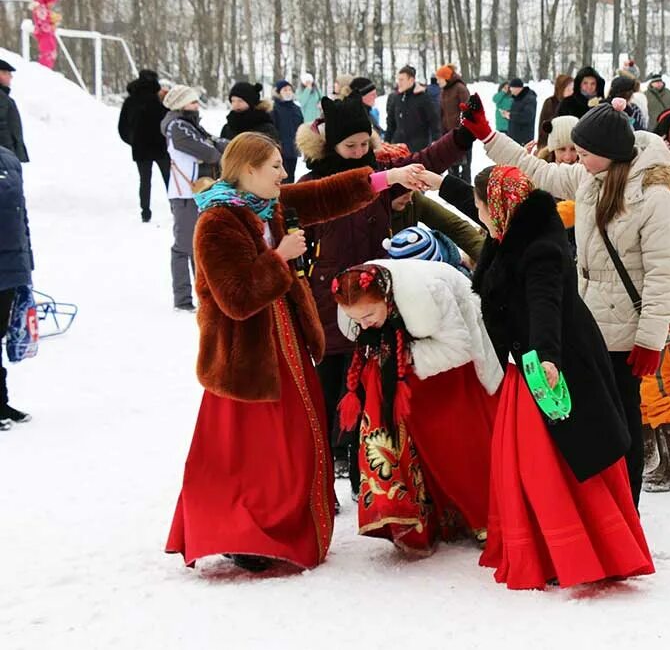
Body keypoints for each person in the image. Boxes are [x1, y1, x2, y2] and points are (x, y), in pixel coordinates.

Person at [165, 131, 425, 572]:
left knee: (294, 443)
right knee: (251, 453)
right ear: (248, 171)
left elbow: (327, 195)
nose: (283, 174)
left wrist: (389, 177)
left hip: (284, 343)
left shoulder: (268, 206)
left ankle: (279, 528)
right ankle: (243, 535)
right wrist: (279, 257)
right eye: (274, 168)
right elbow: (236, 298)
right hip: (244, 356)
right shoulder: (217, 223)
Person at [464, 95, 670, 506]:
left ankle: (625, 507)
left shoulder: (653, 197)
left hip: (627, 331)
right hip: (588, 322)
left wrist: (650, 341)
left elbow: (663, 273)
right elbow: (538, 170)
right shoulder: (589, 179)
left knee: (622, 423)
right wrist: (489, 136)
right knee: (594, 421)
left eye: (583, 153)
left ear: (607, 154)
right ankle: (595, 509)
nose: (576, 160)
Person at [466, 164, 654, 590]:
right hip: (528, 363)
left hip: (551, 366)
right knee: (531, 464)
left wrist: (547, 358)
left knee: (551, 465)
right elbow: (474, 199)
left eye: (481, 208)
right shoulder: (513, 228)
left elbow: (545, 302)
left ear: (498, 206)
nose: (479, 215)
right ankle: (544, 546)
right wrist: (437, 181)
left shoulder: (540, 250)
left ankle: (570, 552)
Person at [294, 95, 477, 498]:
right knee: (326, 400)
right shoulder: (312, 189)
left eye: (364, 144)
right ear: (330, 146)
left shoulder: (378, 174)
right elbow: (294, 240)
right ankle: (320, 487)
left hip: (375, 306)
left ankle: (371, 486)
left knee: (371, 398)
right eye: (350, 146)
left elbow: (426, 162)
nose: (359, 153)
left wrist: (463, 135)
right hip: (329, 307)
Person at [333, 260, 502, 553]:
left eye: (369, 315)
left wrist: (407, 358)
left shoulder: (429, 294)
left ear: (385, 298)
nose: (364, 325)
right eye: (356, 320)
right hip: (413, 376)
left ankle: (487, 517)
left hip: (455, 372)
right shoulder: (368, 303)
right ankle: (437, 515)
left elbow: (459, 347)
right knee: (427, 449)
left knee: (462, 447)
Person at [160, 85, 228, 312]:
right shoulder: (178, 126)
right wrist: (219, 155)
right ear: (181, 104)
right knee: (184, 246)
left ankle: (202, 297)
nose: (196, 105)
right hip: (186, 193)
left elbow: (212, 142)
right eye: (192, 102)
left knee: (199, 246)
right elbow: (206, 150)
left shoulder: (190, 124)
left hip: (197, 192)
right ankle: (182, 299)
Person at [0, 146, 32, 428]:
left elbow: (21, 216)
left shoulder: (9, 159)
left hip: (10, 264)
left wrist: (27, 263)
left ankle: (1, 402)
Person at [119, 69, 170, 222]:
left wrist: (133, 140)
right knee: (169, 179)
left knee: (145, 181)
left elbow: (122, 127)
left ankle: (145, 212)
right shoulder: (160, 100)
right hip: (161, 146)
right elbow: (169, 122)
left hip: (140, 148)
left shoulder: (130, 101)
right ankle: (176, 208)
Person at [389, 190, 485, 263]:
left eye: (410, 188)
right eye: (401, 187)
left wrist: (489, 262)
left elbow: (456, 227)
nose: (409, 197)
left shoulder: (413, 199)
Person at [386, 66, 441, 153]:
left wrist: (436, 141)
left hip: (419, 149)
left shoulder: (423, 97)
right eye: (398, 80)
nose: (399, 83)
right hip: (399, 148)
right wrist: (386, 142)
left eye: (402, 80)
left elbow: (434, 120)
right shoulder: (396, 98)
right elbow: (390, 123)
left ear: (411, 80)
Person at [436, 64, 471, 181]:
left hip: (463, 133)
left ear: (446, 78)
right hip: (448, 134)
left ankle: (467, 192)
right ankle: (454, 192)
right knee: (451, 164)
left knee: (465, 165)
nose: (437, 81)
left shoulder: (460, 88)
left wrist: (463, 129)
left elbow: (468, 110)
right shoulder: (443, 91)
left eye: (439, 79)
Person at [271, 79, 304, 183]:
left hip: (293, 148)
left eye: (290, 89)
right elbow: (272, 128)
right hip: (280, 148)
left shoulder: (296, 108)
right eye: (285, 90)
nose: (288, 92)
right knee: (281, 177)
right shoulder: (274, 108)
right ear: (278, 92)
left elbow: (301, 126)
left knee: (291, 175)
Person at [0, 60, 28, 163]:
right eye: (7, 73)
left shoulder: (4, 98)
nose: (11, 77)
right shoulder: (2, 98)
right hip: (5, 157)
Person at [537, 74, 573, 147]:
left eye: (573, 89)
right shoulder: (550, 102)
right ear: (560, 89)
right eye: (568, 89)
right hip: (552, 145)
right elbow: (543, 128)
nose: (571, 92)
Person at [30, 0, 59, 69]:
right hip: (44, 36)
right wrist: (51, 26)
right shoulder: (41, 9)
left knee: (51, 53)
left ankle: (47, 69)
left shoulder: (45, 10)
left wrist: (52, 21)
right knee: (47, 54)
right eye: (52, 2)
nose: (53, 4)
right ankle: (44, 70)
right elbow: (42, 25)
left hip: (48, 35)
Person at [506, 78, 538, 146]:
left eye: (511, 87)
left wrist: (510, 115)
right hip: (514, 137)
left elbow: (527, 116)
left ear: (517, 88)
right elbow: (517, 111)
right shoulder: (516, 98)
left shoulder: (529, 98)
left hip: (523, 138)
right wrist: (508, 113)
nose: (510, 90)